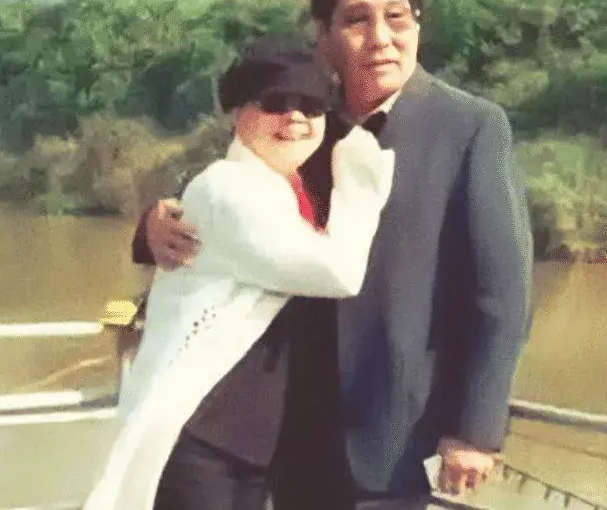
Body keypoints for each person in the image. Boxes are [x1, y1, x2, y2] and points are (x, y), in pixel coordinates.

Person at [135, 0, 533, 507]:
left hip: (392, 434)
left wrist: (475, 429)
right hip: (282, 427)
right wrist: (152, 227)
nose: (380, 37)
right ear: (324, 35)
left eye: (396, 17)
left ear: (417, 23)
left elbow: (502, 294)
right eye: (357, 20)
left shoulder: (469, 127)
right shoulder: (302, 116)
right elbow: (224, 193)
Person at [83, 35, 395, 510]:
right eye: (275, 102)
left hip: (254, 441)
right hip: (201, 436)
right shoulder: (227, 190)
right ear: (237, 112)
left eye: (311, 105)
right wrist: (361, 175)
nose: (295, 117)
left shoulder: (283, 186)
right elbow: (338, 272)